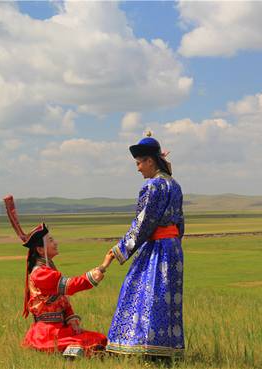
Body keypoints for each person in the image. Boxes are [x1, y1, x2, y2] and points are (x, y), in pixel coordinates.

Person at [106, 133, 185, 359]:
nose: (138, 169)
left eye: (139, 163)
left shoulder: (153, 186)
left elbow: (143, 224)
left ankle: (143, 348)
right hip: (174, 249)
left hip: (157, 247)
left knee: (142, 291)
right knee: (168, 298)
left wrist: (120, 249)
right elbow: (180, 223)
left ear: (151, 161)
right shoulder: (175, 185)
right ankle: (168, 350)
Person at [4, 196, 112, 358]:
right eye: (51, 240)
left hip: (60, 329)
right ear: (41, 250)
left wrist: (70, 318)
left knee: (100, 339)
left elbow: (62, 300)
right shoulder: (40, 274)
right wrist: (101, 268)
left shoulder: (47, 270)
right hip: (48, 333)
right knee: (93, 343)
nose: (56, 243)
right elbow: (71, 285)